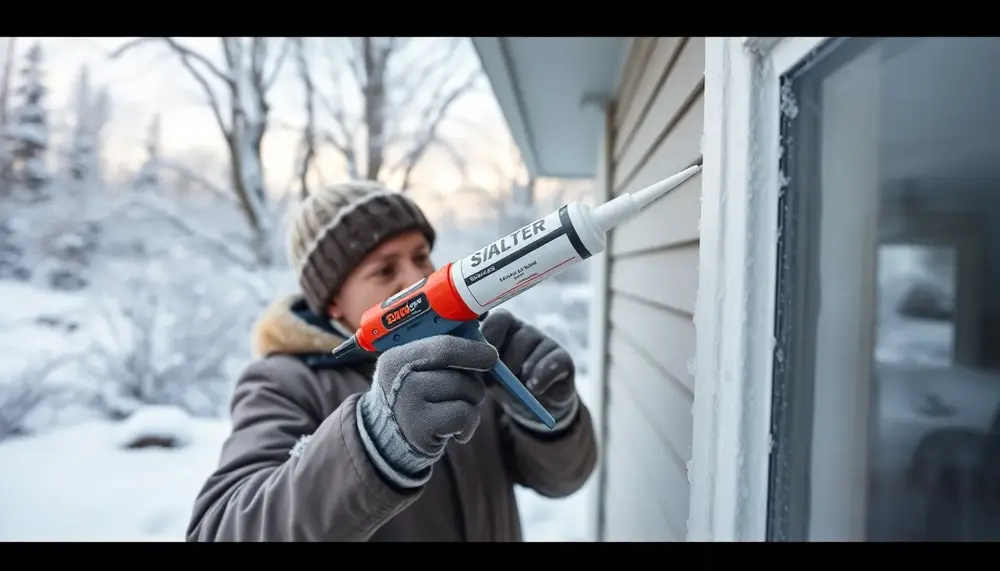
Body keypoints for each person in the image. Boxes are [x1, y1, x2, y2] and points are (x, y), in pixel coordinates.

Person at [186, 180, 598, 542]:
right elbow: (220, 531)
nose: (415, 278)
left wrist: (552, 416)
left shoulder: (467, 352)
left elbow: (563, 479)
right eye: (384, 270)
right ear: (333, 305)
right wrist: (375, 442)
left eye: (421, 256)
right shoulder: (285, 382)